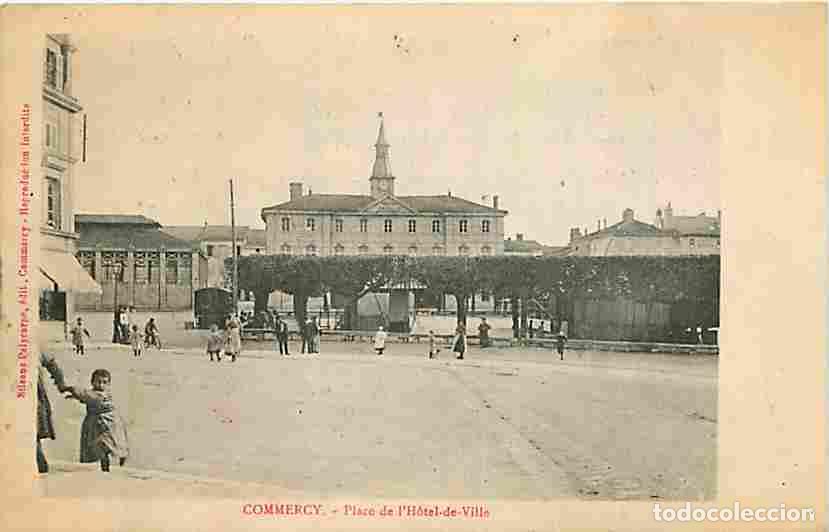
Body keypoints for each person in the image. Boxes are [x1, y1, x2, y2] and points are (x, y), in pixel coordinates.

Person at [65, 369, 130, 472]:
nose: (101, 385)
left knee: (110, 445)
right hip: (97, 426)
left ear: (109, 384)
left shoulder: (103, 395)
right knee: (102, 448)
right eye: (98, 381)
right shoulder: (93, 393)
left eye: (104, 382)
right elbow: (88, 397)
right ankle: (106, 468)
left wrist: (72, 389)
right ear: (92, 382)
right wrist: (76, 396)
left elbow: (88, 396)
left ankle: (120, 457)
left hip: (108, 425)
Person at [37, 351, 69, 473]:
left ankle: (40, 464)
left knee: (32, 431)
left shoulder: (31, 343)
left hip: (33, 396)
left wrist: (61, 384)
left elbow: (51, 363)